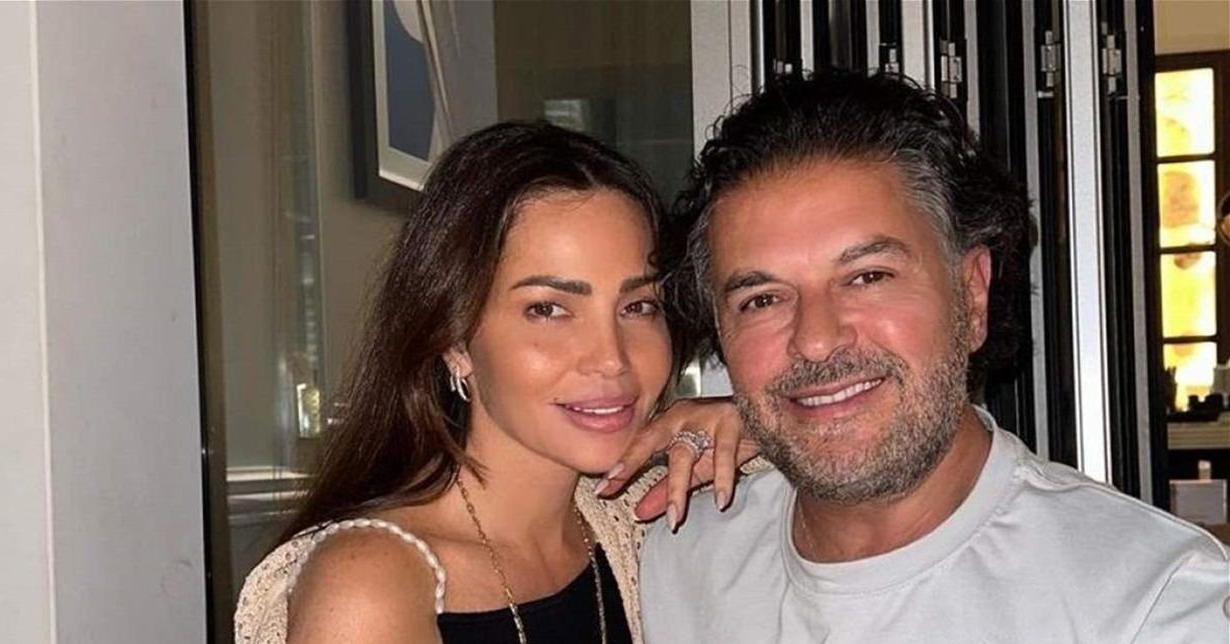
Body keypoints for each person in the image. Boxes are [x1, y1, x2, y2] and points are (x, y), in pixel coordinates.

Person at [640, 70, 1230, 643]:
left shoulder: (1152, 605)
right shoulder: (679, 559)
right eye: (762, 299)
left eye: (868, 276)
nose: (815, 340)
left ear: (971, 295)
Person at [234, 121, 749, 644]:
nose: (611, 358)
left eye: (637, 306)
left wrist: (755, 429)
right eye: (548, 310)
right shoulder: (370, 586)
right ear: (454, 340)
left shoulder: (639, 518)